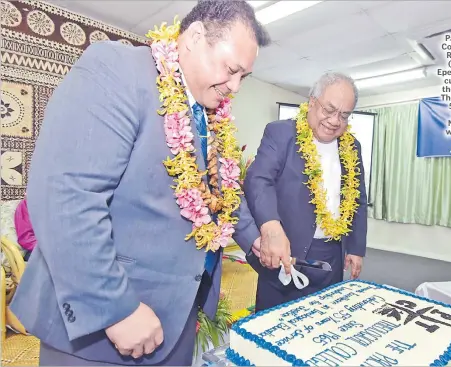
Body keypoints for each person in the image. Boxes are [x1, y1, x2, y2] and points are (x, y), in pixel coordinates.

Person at [10, 1, 270, 365]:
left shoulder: (211, 116)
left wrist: (257, 238)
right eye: (231, 69)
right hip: (103, 329)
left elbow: (218, 193)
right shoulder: (118, 70)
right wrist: (115, 309)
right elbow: (65, 195)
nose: (236, 86)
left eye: (244, 76)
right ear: (195, 37)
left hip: (177, 321)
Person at [244, 72, 368, 312]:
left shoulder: (352, 146)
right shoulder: (281, 133)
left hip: (332, 253)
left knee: (322, 321)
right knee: (275, 323)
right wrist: (271, 227)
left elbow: (358, 199)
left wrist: (355, 247)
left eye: (344, 115)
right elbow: (258, 180)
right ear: (312, 102)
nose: (334, 121)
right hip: (285, 250)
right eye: (329, 110)